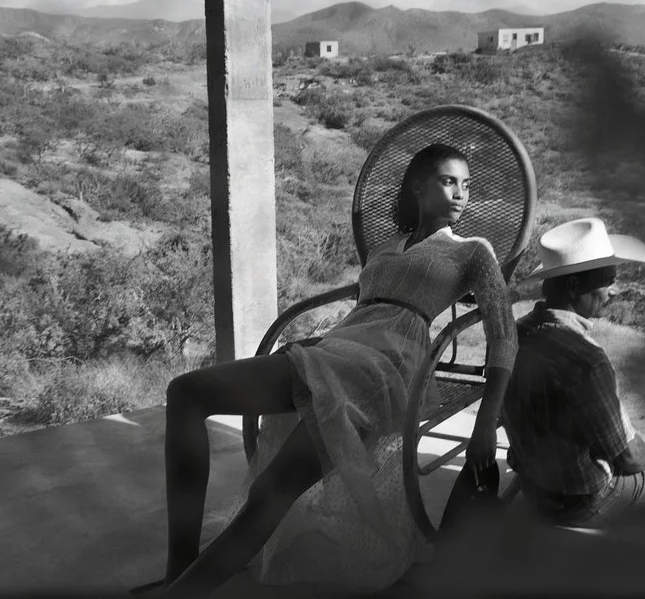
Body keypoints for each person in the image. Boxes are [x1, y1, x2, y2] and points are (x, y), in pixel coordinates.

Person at [151, 143, 519, 597]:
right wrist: (320, 339)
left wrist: (486, 423)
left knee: (271, 491)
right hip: (335, 349)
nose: (461, 193)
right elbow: (366, 308)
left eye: (466, 185)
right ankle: (178, 565)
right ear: (418, 187)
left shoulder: (473, 251)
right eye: (448, 181)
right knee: (186, 392)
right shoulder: (385, 249)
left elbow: (505, 334)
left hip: (386, 370)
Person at [502, 217, 645, 552]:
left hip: (535, 488)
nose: (614, 290)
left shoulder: (517, 331)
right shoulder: (585, 359)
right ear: (574, 287)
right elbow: (629, 458)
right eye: (608, 281)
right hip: (582, 500)